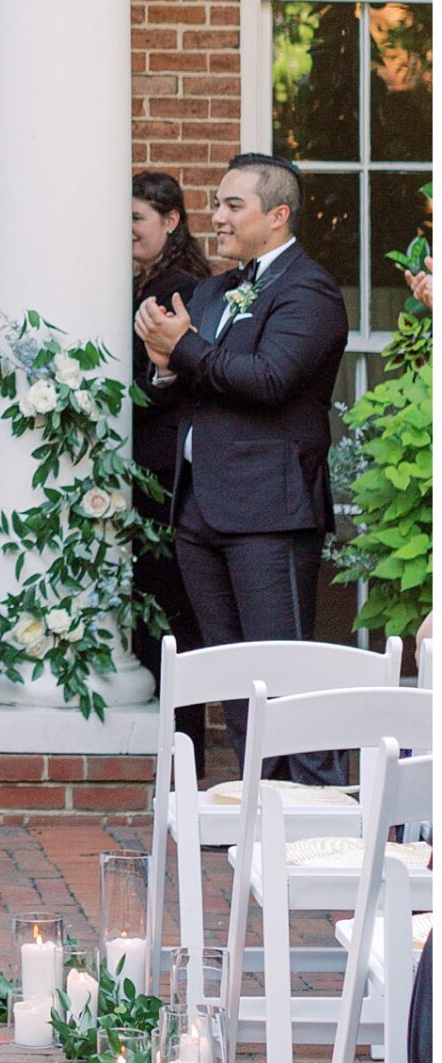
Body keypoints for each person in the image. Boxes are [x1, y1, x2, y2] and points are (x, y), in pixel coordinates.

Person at [135, 153, 350, 786]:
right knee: (232, 673)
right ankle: (263, 804)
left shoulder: (309, 290)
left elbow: (269, 380)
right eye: (218, 202)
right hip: (200, 506)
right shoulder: (211, 290)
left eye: (234, 205)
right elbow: (190, 385)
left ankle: (319, 808)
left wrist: (186, 347)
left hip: (269, 509)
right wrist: (166, 364)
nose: (217, 216)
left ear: (277, 216)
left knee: (283, 672)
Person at [130, 172, 213, 771]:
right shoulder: (147, 282)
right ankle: (176, 748)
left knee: (169, 610)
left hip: (164, 469)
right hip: (149, 466)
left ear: (171, 221)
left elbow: (172, 381)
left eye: (137, 217)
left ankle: (182, 750)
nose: (126, 230)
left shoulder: (175, 289)